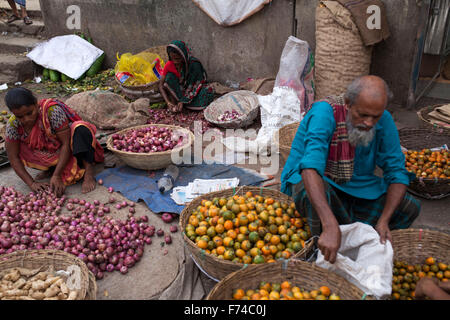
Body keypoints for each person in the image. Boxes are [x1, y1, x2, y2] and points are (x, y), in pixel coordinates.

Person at [280, 75, 421, 264]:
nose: (369, 123)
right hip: (323, 182)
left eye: (375, 117)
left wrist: (384, 220)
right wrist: (330, 225)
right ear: (348, 104)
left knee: (408, 206)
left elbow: (396, 172)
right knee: (309, 191)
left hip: (358, 188)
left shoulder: (384, 120)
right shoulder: (325, 112)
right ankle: (317, 250)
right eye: (362, 115)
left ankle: (357, 240)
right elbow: (310, 168)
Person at [4, 87, 104, 196]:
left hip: (72, 149)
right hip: (51, 153)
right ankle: (52, 168)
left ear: (36, 104)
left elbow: (66, 144)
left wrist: (57, 176)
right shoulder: (13, 125)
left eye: (29, 113)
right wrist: (31, 183)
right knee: (17, 147)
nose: (26, 119)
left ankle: (88, 172)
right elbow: (13, 157)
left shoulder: (52, 111)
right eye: (20, 116)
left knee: (80, 128)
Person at [159, 40, 215, 113]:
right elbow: (161, 85)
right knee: (169, 77)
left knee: (206, 91)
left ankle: (183, 104)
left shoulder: (194, 64)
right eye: (173, 59)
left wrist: (183, 101)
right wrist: (168, 102)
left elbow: (196, 85)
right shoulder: (170, 64)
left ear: (183, 56)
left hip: (195, 90)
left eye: (178, 59)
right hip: (183, 90)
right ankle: (181, 104)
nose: (175, 62)